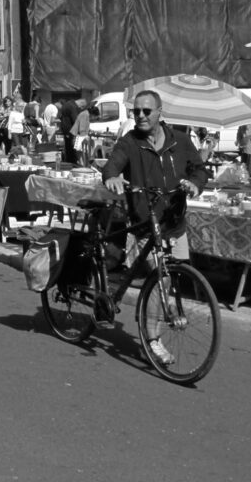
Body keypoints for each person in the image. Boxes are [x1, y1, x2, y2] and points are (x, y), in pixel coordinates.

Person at [102, 89, 209, 365]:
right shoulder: (130, 143)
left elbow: (199, 169)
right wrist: (112, 177)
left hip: (174, 223)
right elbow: (112, 165)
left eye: (146, 111)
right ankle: (153, 341)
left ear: (160, 113)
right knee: (160, 278)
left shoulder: (181, 141)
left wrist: (194, 184)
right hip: (145, 224)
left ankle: (162, 307)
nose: (140, 116)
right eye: (135, 111)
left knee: (173, 276)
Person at [59, 97, 82, 164]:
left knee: (68, 148)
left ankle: (69, 162)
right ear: (80, 104)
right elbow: (75, 120)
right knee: (73, 149)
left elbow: (61, 117)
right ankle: (73, 163)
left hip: (66, 130)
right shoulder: (73, 107)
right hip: (71, 131)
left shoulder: (66, 105)